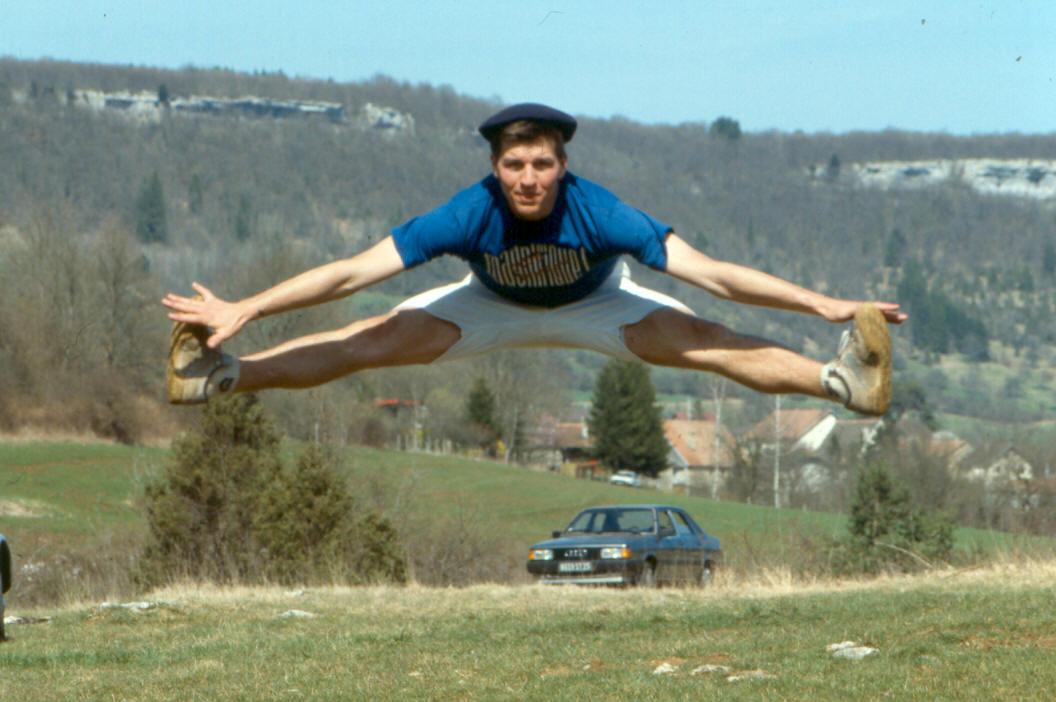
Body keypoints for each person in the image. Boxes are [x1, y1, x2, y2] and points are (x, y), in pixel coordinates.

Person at [164, 103, 905, 416]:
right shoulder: (468, 212)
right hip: (486, 306)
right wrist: (244, 309)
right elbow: (354, 272)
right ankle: (220, 375)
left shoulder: (602, 211)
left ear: (563, 165)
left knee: (704, 341)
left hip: (597, 304)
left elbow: (710, 273)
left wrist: (825, 305)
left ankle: (841, 380)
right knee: (372, 341)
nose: (528, 178)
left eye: (543, 164)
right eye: (515, 164)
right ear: (496, 166)